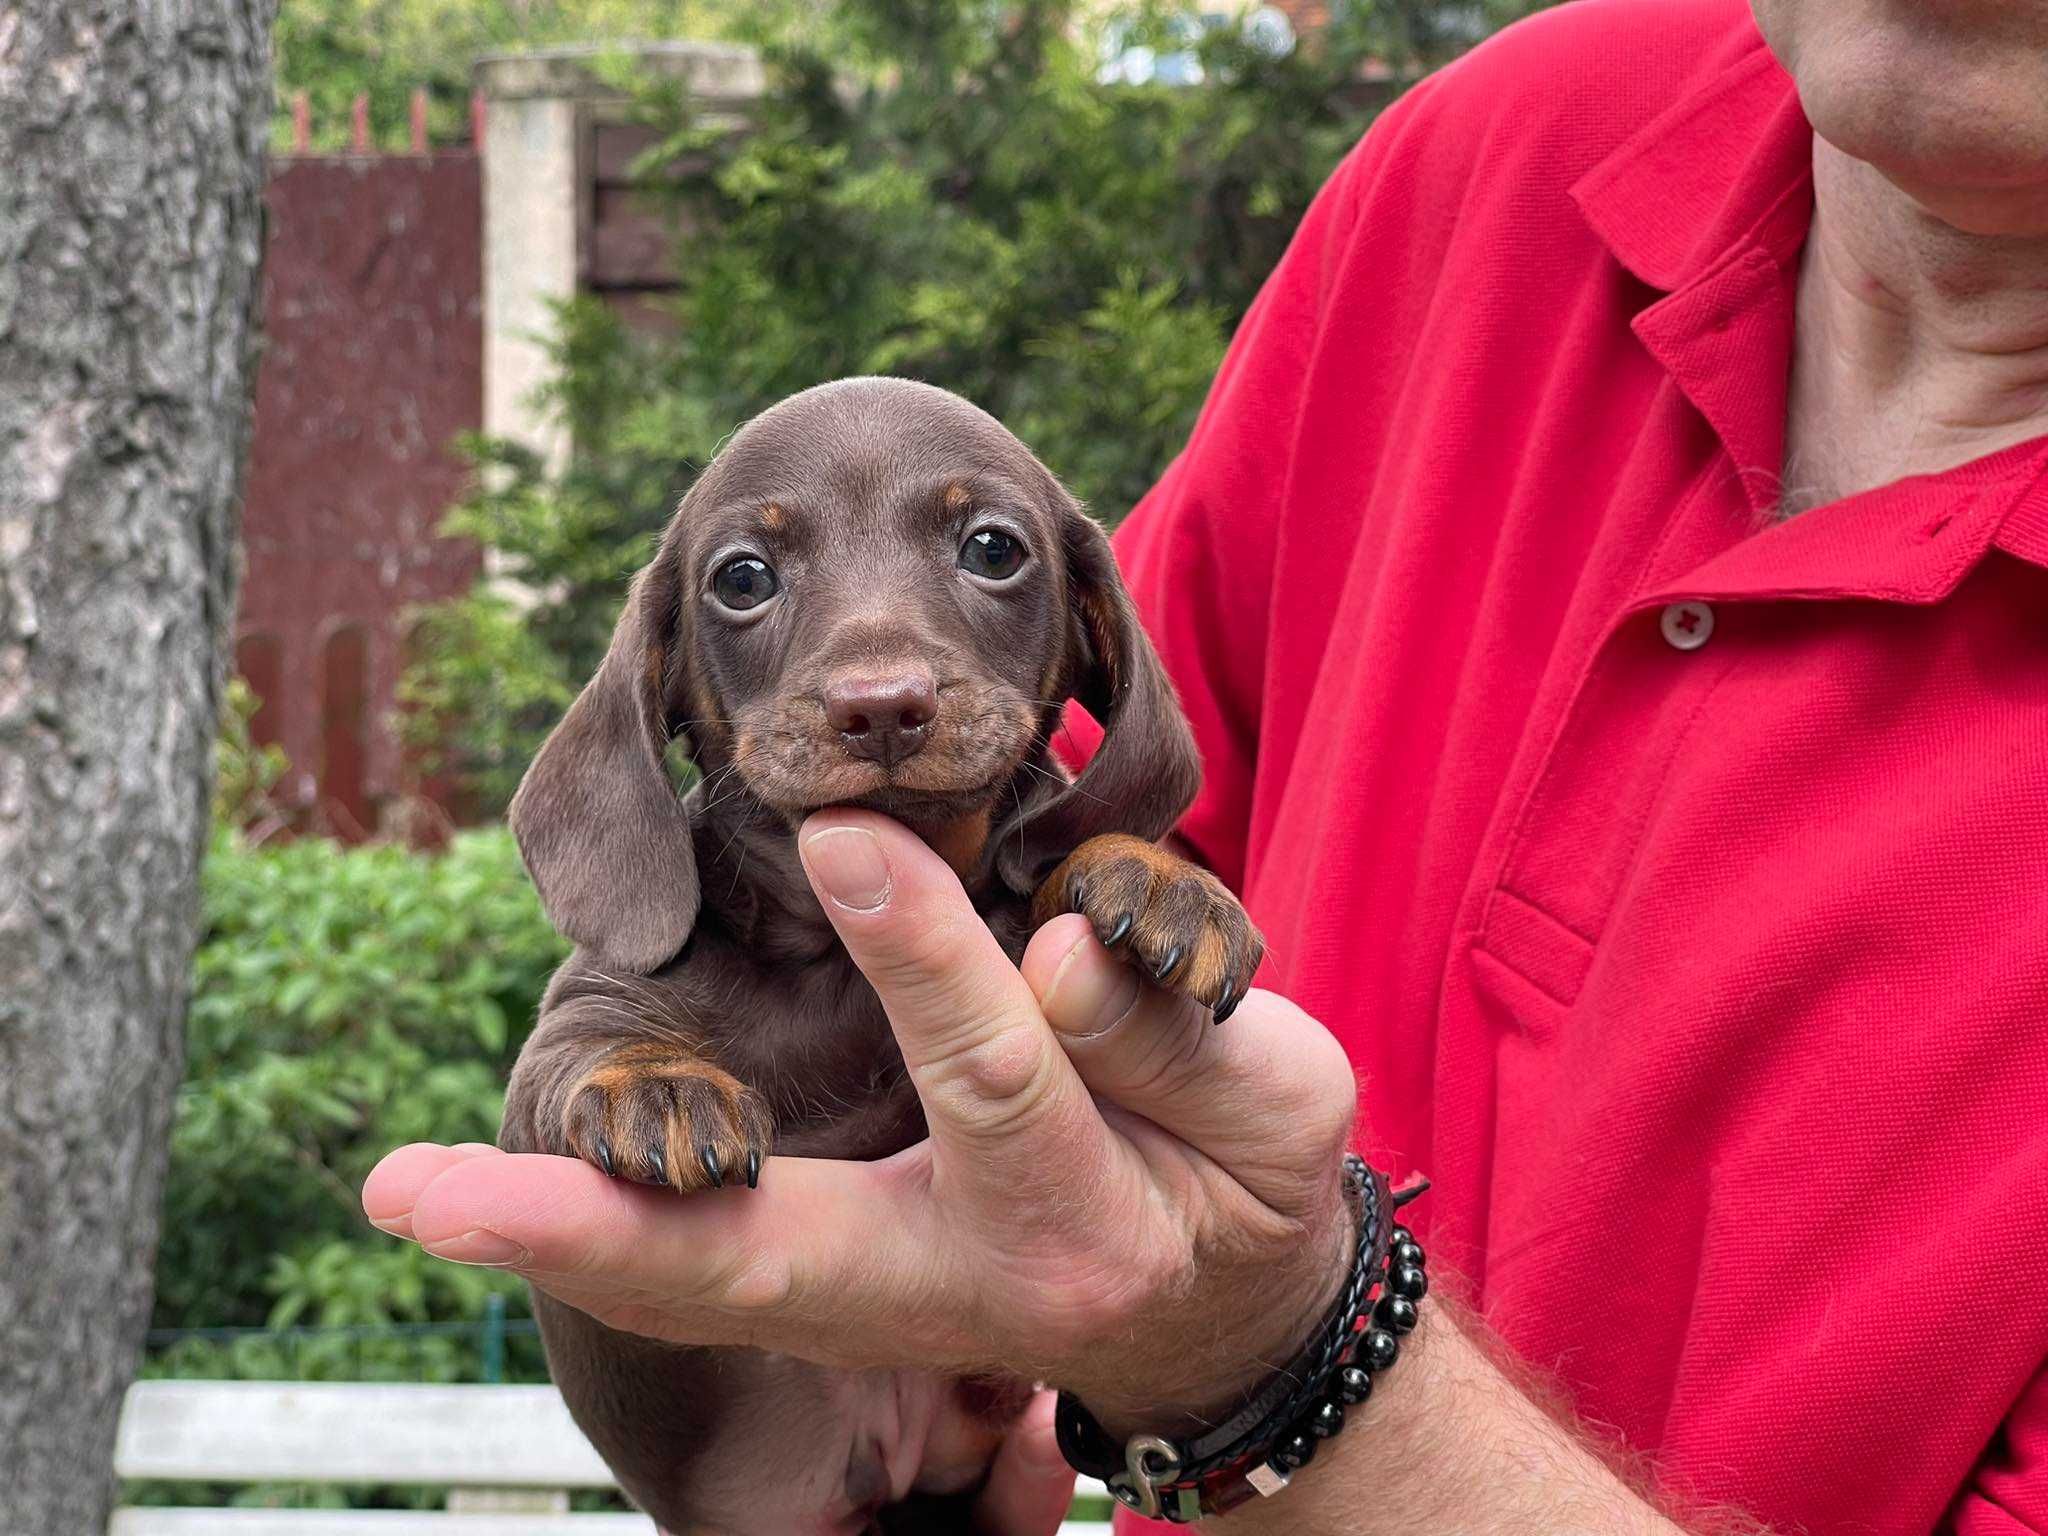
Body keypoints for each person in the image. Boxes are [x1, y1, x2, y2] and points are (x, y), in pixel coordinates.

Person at [363, 0, 2048, 1529]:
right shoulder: (1502, 161)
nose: (876, 674)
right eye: (755, 586)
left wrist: (1277, 1357)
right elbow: (1090, 808)